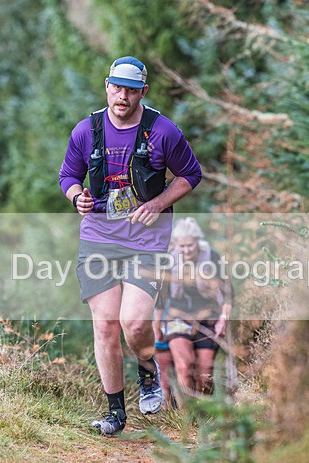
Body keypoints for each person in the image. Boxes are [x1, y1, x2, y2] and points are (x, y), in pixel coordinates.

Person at [58, 56, 203, 436]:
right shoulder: (86, 130)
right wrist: (77, 198)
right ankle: (115, 413)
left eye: (131, 90)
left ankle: (147, 370)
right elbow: (68, 176)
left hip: (146, 240)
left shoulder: (163, 132)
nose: (122, 96)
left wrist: (157, 204)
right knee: (106, 327)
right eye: (117, 87)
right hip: (99, 237)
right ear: (106, 85)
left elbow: (191, 174)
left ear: (144, 92)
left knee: (134, 323)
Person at [156, 217, 232, 398]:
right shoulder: (170, 260)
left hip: (208, 318)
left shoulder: (212, 258)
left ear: (197, 242)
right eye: (182, 246)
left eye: (190, 245)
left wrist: (223, 319)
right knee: (184, 366)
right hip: (178, 317)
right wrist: (157, 325)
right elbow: (162, 296)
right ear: (176, 245)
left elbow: (228, 293)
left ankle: (204, 414)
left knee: (204, 374)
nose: (186, 250)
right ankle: (186, 418)